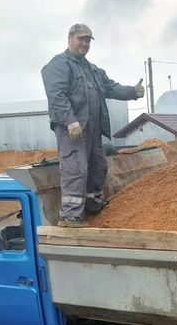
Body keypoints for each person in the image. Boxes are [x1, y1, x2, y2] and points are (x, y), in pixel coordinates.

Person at [41, 23, 144, 227]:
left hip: (93, 129)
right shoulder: (59, 64)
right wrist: (70, 121)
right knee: (76, 168)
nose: (85, 43)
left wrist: (132, 92)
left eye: (88, 40)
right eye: (81, 39)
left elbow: (111, 87)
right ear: (70, 38)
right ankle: (70, 215)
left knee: (98, 166)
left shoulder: (91, 69)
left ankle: (92, 205)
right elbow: (56, 95)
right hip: (73, 130)